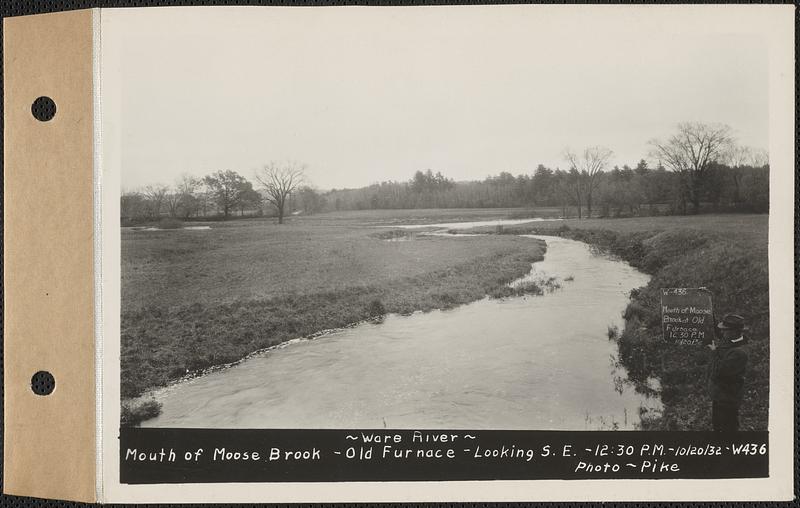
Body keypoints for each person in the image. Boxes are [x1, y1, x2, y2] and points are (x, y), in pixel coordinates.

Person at [707, 313, 748, 431]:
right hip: (720, 396)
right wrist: (708, 310)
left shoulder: (739, 353)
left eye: (725, 330)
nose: (722, 333)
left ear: (734, 332)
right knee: (719, 427)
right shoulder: (734, 340)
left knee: (727, 429)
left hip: (727, 399)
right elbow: (719, 333)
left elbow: (718, 372)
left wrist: (714, 352)